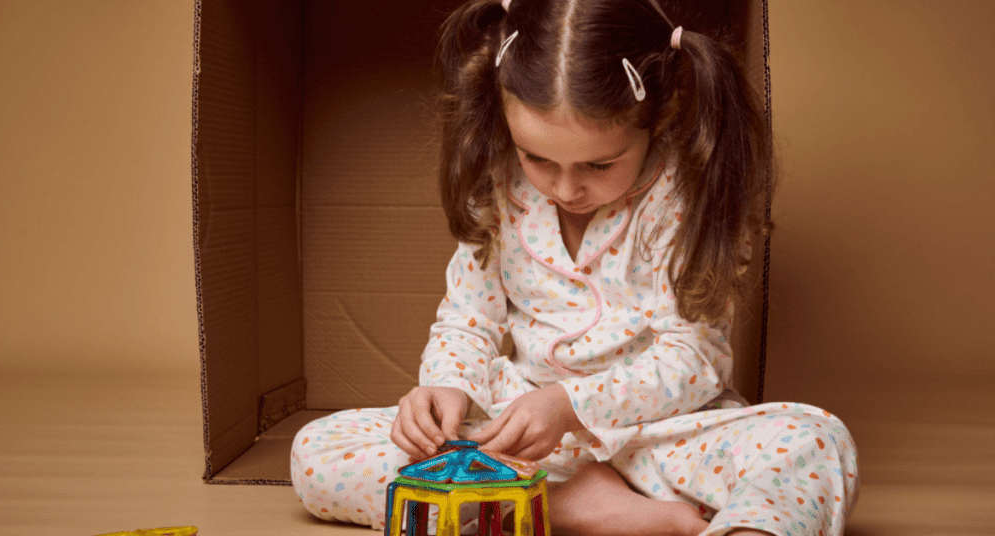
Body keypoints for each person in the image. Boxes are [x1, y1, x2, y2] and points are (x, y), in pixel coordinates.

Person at [291, 0, 859, 534]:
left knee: (814, 441)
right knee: (318, 451)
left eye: (600, 163)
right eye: (537, 157)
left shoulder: (684, 199)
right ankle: (573, 508)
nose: (566, 188)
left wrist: (572, 408)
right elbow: (469, 320)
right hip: (518, 441)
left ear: (656, 120)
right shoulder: (497, 186)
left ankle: (726, 522)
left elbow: (694, 359)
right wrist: (445, 387)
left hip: (656, 438)